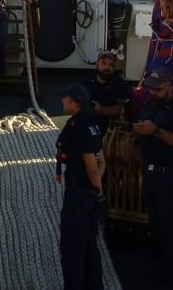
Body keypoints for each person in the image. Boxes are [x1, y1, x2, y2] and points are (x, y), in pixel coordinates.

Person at [132, 67, 173, 290]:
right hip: (151, 172)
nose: (153, 93)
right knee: (156, 227)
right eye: (151, 89)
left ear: (169, 88)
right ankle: (160, 275)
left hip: (171, 175)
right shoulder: (149, 106)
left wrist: (156, 132)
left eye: (158, 90)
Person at [56, 84, 106, 290]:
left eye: (65, 99)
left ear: (74, 103)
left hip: (79, 195)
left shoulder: (79, 128)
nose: (61, 101)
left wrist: (96, 191)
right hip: (87, 191)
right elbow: (101, 161)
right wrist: (96, 187)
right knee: (90, 246)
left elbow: (91, 166)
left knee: (72, 248)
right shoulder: (93, 125)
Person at [82, 50, 131, 134]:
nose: (107, 67)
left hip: (111, 129)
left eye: (110, 65)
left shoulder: (119, 84)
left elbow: (124, 108)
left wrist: (101, 110)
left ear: (114, 67)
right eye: (103, 63)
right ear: (97, 64)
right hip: (87, 126)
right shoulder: (85, 82)